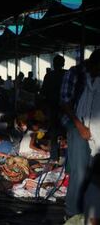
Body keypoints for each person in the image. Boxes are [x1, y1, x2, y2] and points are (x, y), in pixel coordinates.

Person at [61, 49, 100, 217]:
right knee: (80, 171)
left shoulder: (96, 80)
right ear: (94, 64)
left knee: (91, 171)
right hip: (75, 124)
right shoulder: (75, 73)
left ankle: (86, 208)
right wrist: (80, 127)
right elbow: (65, 103)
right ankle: (71, 213)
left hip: (90, 128)